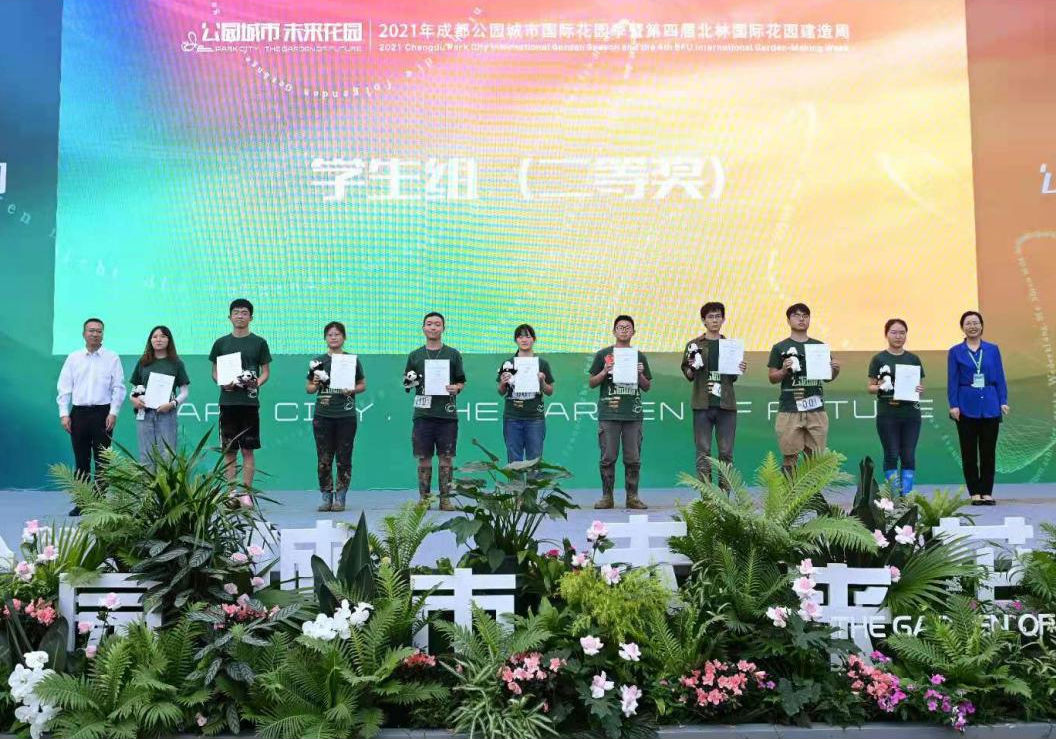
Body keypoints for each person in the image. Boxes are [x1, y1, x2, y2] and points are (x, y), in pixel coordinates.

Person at [56, 317, 126, 515]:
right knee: (81, 459)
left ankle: (100, 503)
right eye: (91, 330)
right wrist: (64, 414)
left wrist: (114, 412)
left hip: (103, 413)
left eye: (99, 331)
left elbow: (118, 388)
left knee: (102, 460)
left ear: (103, 334)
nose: (95, 334)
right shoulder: (74, 358)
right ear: (84, 333)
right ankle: (83, 502)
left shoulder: (112, 357)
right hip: (78, 413)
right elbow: (64, 387)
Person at [766, 303, 841, 472]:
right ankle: (791, 489)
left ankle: (812, 489)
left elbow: (828, 377)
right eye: (796, 315)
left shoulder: (819, 347)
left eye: (805, 316)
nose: (801, 319)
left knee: (815, 457)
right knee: (789, 455)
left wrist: (835, 370)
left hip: (816, 409)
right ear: (788, 320)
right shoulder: (779, 347)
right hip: (790, 408)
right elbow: (772, 378)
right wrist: (784, 370)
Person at [589, 315, 652, 509]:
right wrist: (604, 371)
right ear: (614, 331)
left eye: (627, 327)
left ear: (633, 332)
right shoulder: (603, 354)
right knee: (608, 457)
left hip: (633, 414)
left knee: (633, 458)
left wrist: (640, 373)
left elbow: (647, 386)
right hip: (609, 413)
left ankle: (632, 497)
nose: (624, 330)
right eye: (620, 327)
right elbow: (592, 383)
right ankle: (607, 497)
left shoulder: (639, 356)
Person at [681, 302, 746, 488]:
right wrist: (693, 366)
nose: (715, 320)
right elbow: (688, 375)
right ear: (704, 320)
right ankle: (708, 496)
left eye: (718, 316)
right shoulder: (694, 345)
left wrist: (739, 368)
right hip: (702, 405)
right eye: (710, 317)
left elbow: (733, 377)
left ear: (723, 319)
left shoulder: (731, 346)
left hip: (726, 405)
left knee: (726, 453)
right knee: (703, 452)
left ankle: (724, 497)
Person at [405, 312, 466, 510]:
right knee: (424, 458)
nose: (433, 327)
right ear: (423, 328)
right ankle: (424, 499)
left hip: (447, 414)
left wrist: (456, 388)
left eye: (437, 324)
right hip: (423, 415)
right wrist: (409, 382)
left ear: (443, 328)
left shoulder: (453, 354)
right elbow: (407, 382)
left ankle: (445, 499)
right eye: (429, 324)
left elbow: (461, 381)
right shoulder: (415, 355)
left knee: (446, 458)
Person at [208, 299, 271, 489]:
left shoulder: (259, 342)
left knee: (248, 450)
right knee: (229, 451)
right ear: (230, 317)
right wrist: (222, 382)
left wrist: (256, 383)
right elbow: (215, 372)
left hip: (249, 403)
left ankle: (246, 494)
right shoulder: (221, 343)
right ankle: (231, 493)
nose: (240, 316)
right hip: (228, 402)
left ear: (251, 317)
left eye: (244, 313)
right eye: (236, 312)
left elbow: (265, 372)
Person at [947, 311, 1009, 505]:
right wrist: (954, 405)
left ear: (982, 326)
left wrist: (1003, 400)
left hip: (990, 404)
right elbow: (952, 380)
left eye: (976, 323)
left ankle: (987, 492)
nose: (972, 326)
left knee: (988, 452)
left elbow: (1000, 377)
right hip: (966, 406)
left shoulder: (992, 349)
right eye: (968, 323)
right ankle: (974, 492)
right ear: (962, 327)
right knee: (969, 453)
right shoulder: (955, 351)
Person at [307, 321, 366, 513]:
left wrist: (352, 389)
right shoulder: (317, 362)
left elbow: (362, 385)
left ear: (344, 337)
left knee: (344, 458)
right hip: (323, 416)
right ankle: (326, 497)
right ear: (325, 338)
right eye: (330, 335)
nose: (334, 338)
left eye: (337, 334)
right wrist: (315, 383)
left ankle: (340, 497)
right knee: (324, 459)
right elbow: (309, 389)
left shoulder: (351, 360)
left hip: (346, 416)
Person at [867, 319, 925, 495]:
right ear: (886, 335)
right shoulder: (878, 359)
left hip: (911, 414)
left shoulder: (913, 359)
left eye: (902, 333)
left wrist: (919, 389)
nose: (898, 336)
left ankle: (906, 497)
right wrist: (881, 387)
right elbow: (870, 387)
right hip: (888, 413)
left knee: (908, 455)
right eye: (894, 332)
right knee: (891, 454)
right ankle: (892, 498)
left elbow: (919, 388)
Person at [129, 326, 190, 467]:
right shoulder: (143, 362)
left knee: (167, 454)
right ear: (150, 340)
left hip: (167, 413)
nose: (158, 339)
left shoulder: (176, 363)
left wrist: (172, 404)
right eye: (155, 336)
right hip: (144, 413)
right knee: (146, 454)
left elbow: (184, 392)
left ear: (169, 340)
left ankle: (167, 483)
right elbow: (134, 389)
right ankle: (148, 483)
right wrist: (133, 399)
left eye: (163, 336)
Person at [497, 324, 555, 463]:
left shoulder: (542, 363)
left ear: (534, 339)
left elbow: (550, 391)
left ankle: (533, 479)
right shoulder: (508, 363)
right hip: (512, 417)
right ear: (516, 340)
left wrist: (542, 381)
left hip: (535, 418)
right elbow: (501, 392)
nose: (524, 340)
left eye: (527, 336)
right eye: (520, 337)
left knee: (534, 460)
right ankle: (516, 479)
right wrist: (503, 382)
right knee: (514, 460)